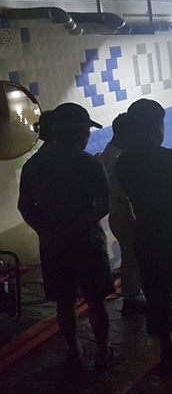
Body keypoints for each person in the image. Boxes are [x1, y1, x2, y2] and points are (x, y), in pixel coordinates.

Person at [18, 103, 114, 370]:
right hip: (87, 243)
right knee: (96, 301)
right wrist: (78, 227)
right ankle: (103, 352)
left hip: (52, 247)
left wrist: (47, 232)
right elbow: (103, 204)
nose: (87, 137)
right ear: (77, 132)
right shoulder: (88, 163)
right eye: (85, 131)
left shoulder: (33, 165)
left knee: (64, 301)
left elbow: (25, 205)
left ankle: (74, 350)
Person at [116, 99, 172, 378]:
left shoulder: (124, 161)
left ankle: (166, 347)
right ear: (156, 126)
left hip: (146, 238)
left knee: (157, 297)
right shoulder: (168, 157)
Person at [97, 113, 146, 315]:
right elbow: (123, 194)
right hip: (124, 214)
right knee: (133, 256)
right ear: (126, 133)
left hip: (117, 214)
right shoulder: (118, 159)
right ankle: (132, 298)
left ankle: (133, 295)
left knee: (130, 255)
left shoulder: (105, 155)